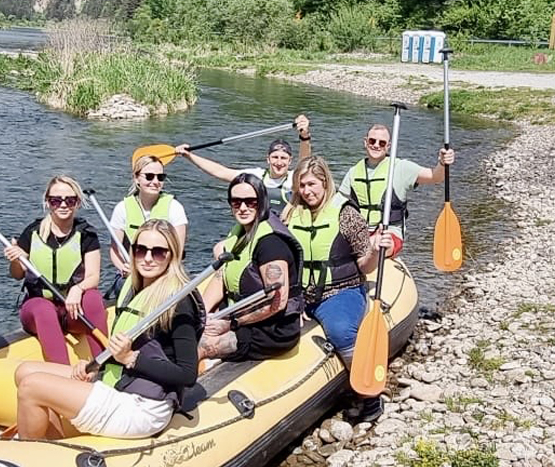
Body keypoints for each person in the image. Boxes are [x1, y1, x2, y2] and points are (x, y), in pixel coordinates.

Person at [12, 220, 203, 440]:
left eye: (158, 252)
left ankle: (33, 451)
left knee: (31, 386)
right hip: (118, 383)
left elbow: (187, 375)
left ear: (172, 255)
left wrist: (131, 358)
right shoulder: (134, 288)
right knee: (25, 371)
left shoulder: (179, 302)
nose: (148, 258)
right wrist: (95, 367)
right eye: (141, 250)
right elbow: (121, 350)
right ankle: (54, 442)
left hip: (143, 405)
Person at [281, 156, 393, 423]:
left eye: (311, 184)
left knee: (341, 332)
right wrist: (292, 299)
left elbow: (365, 265)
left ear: (324, 181)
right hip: (301, 293)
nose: (306, 191)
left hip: (341, 291)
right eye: (301, 186)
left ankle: (370, 396)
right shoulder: (290, 214)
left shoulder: (346, 214)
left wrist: (375, 250)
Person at [3, 175, 108, 365]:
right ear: (47, 202)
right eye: (56, 200)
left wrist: (78, 289)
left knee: (93, 297)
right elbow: (17, 274)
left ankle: (104, 365)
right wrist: (16, 260)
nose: (63, 205)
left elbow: (93, 276)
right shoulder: (32, 232)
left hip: (73, 311)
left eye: (70, 200)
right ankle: (63, 372)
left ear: (77, 203)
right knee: (43, 309)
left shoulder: (87, 235)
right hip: (38, 309)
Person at [199, 174, 303, 361]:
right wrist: (202, 315)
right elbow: (221, 276)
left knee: (203, 345)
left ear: (262, 202)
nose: (243, 208)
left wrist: (231, 323)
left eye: (250, 202)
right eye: (236, 202)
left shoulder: (271, 244)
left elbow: (277, 302)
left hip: (271, 328)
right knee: (187, 332)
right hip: (237, 314)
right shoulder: (238, 234)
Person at [337, 123, 455, 257]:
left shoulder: (401, 168)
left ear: (388, 146)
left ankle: (372, 255)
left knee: (380, 243)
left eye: (382, 143)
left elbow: (435, 177)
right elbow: (337, 204)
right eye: (372, 141)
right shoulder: (353, 172)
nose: (376, 145)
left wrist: (442, 163)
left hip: (389, 232)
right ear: (365, 142)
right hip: (360, 232)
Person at [174, 114, 311, 212]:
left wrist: (304, 136)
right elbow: (220, 172)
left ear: (290, 161)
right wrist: (189, 156)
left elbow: (305, 163)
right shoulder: (256, 175)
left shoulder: (293, 179)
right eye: (275, 157)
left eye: (283, 158)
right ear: (268, 159)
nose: (279, 162)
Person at [108, 152, 188, 274]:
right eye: (149, 176)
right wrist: (123, 268)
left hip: (165, 272)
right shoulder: (122, 208)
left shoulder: (175, 207)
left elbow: (178, 250)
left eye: (160, 177)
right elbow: (115, 250)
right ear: (136, 178)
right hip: (132, 272)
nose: (155, 181)